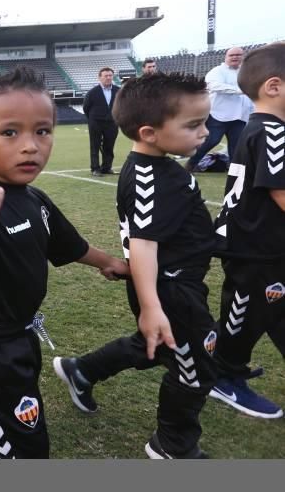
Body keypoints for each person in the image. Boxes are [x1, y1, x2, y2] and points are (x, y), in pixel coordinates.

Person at [0, 68, 128, 459]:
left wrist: (108, 262)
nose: (30, 146)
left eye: (42, 131)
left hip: (19, 335)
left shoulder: (32, 197)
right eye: (9, 133)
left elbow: (67, 243)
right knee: (24, 446)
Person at [53, 73, 219, 459]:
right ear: (149, 132)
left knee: (160, 347)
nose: (205, 132)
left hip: (172, 284)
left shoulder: (159, 165)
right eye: (194, 124)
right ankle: (173, 445)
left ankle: (83, 370)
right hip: (168, 289)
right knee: (196, 366)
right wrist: (152, 306)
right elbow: (143, 245)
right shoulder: (149, 177)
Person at [210, 43, 285, 419]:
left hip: (266, 247)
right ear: (273, 86)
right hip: (254, 249)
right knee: (248, 311)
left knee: (275, 309)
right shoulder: (273, 134)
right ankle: (225, 375)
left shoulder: (259, 129)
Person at [186, 47, 252, 172]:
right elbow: (214, 85)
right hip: (219, 114)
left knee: (236, 146)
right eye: (232, 55)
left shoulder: (247, 72)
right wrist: (239, 90)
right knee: (211, 141)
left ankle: (235, 172)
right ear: (226, 57)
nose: (235, 57)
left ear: (243, 57)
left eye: (238, 55)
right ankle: (191, 164)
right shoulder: (217, 71)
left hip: (240, 117)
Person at [83, 67, 120, 176]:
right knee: (95, 146)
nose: (108, 78)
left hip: (112, 122)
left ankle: (106, 168)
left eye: (110, 75)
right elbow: (86, 107)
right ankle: (95, 169)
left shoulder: (118, 90)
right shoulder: (92, 92)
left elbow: (121, 106)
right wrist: (92, 118)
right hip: (96, 122)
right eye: (106, 76)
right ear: (100, 78)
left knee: (109, 145)